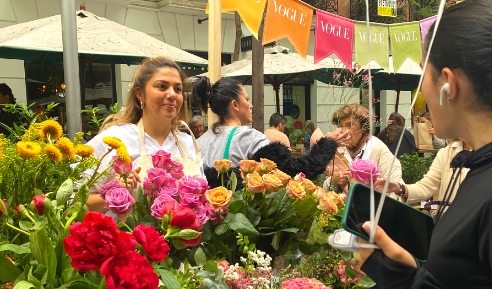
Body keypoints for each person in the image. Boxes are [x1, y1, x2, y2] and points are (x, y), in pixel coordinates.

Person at [357, 0, 492, 289]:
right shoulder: (476, 166)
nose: (422, 88)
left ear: (449, 85)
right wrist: (410, 271)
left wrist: (409, 286)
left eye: (425, 73)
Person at [85, 57, 204, 213]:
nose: (172, 94)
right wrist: (113, 194)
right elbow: (75, 204)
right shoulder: (115, 140)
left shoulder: (189, 143)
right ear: (140, 94)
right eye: (162, 86)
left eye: (178, 89)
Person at [192, 76, 338, 189]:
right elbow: (293, 173)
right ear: (235, 104)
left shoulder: (198, 142)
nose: (251, 105)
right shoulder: (248, 137)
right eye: (247, 100)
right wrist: (327, 145)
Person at [375, 138, 472, 215]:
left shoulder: (486, 152)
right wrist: (398, 188)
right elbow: (426, 187)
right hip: (451, 227)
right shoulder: (446, 153)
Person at [323, 103, 404, 193]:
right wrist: (334, 181)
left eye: (349, 125)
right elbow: (326, 190)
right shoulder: (339, 150)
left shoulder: (378, 149)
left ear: (364, 127)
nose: (344, 131)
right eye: (341, 126)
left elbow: (395, 187)